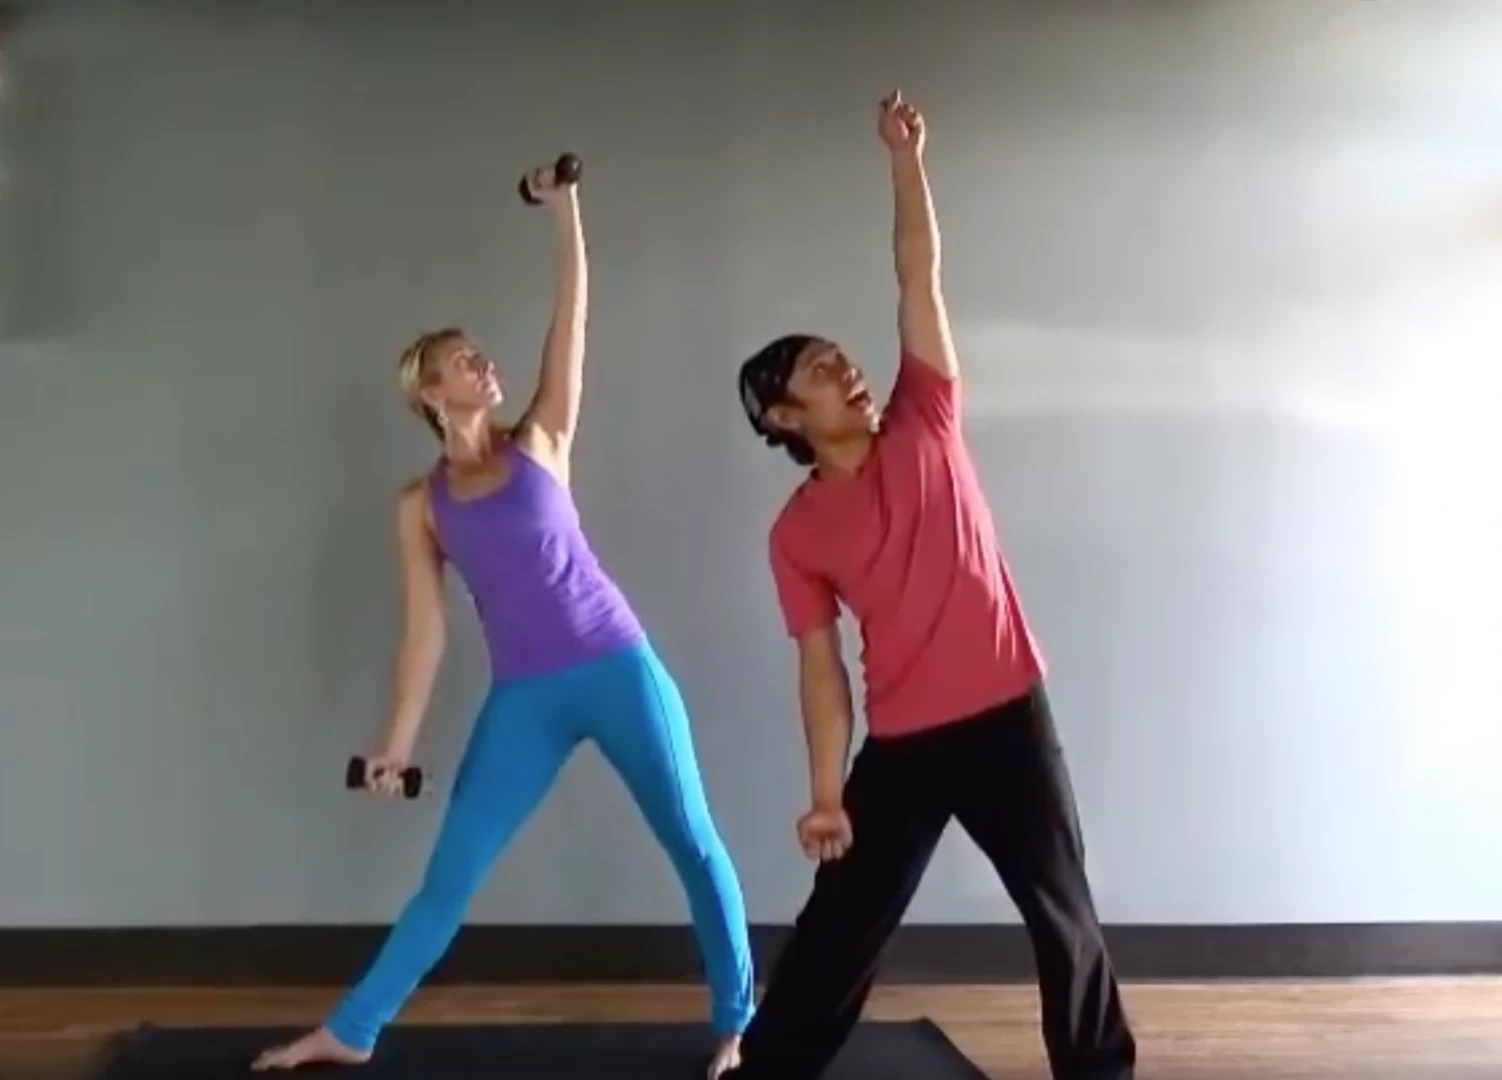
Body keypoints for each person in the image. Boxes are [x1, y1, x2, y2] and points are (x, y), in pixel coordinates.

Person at [252, 160, 754, 1079]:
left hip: (617, 666)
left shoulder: (542, 441)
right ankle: (351, 1030)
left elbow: (575, 318)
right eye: (462, 361)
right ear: (431, 396)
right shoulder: (424, 505)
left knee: (691, 837)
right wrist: (395, 743)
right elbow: (426, 634)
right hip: (526, 695)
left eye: (482, 353)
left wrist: (565, 210)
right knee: (450, 876)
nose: (485, 362)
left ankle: (735, 1022)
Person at [726, 93, 1138, 1080]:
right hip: (905, 740)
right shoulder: (797, 532)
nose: (846, 368)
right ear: (784, 419)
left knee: (1062, 914)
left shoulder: (927, 414)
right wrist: (826, 794)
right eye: (818, 371)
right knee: (839, 924)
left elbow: (918, 273)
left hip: (1006, 712)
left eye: (841, 355)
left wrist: (905, 161)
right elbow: (821, 671)